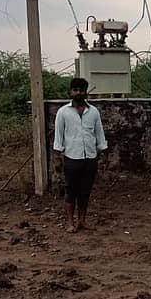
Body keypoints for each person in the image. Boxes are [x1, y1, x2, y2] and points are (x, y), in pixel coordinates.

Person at [52, 77, 108, 233]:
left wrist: (103, 153)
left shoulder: (93, 112)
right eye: (75, 90)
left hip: (90, 158)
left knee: (85, 191)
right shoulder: (63, 112)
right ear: (70, 92)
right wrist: (57, 157)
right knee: (71, 191)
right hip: (71, 158)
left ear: (86, 92)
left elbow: (99, 134)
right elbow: (59, 136)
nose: (78, 93)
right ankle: (70, 223)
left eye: (81, 90)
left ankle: (82, 221)